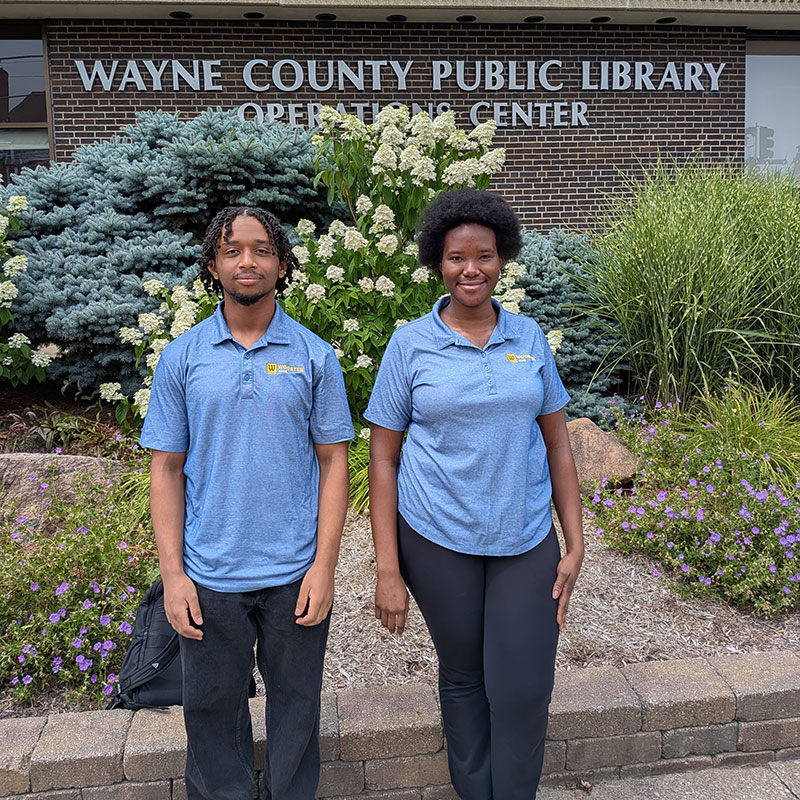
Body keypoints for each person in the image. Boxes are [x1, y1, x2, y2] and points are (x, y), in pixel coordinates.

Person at [365, 189, 584, 800]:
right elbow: (383, 458)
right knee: (462, 677)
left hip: (523, 535)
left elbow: (559, 445)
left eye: (483, 256)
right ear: (438, 260)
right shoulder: (410, 344)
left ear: (501, 259)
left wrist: (576, 539)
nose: (471, 269)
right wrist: (387, 568)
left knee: (521, 688)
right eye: (457, 257)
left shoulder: (529, 337)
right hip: (435, 538)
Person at [140, 206, 354, 800]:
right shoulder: (183, 357)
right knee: (210, 715)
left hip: (295, 574)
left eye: (261, 249)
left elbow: (335, 461)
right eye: (232, 250)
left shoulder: (315, 356)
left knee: (297, 710)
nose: (247, 261)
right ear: (213, 264)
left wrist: (324, 566)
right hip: (210, 574)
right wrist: (174, 575)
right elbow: (167, 467)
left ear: (282, 264)